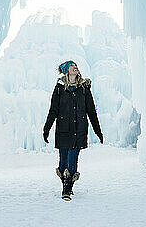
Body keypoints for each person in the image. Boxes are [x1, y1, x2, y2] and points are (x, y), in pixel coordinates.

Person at [43, 60, 104, 200]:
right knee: (63, 161)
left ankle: (67, 188)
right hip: (63, 129)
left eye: (76, 66)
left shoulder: (84, 88)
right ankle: (65, 181)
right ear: (66, 70)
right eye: (72, 66)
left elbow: (91, 111)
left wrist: (98, 131)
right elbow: (53, 110)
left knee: (73, 159)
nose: (75, 68)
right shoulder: (59, 88)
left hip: (79, 129)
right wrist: (46, 129)